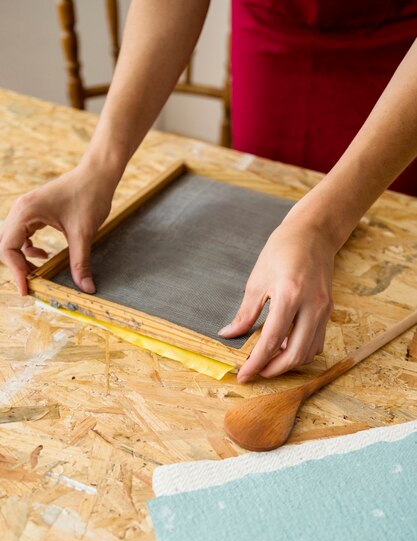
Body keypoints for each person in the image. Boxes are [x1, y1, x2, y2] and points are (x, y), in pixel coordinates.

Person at [0, 1, 416, 384]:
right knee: (262, 201)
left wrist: (323, 227)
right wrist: (99, 166)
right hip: (272, 36)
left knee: (382, 228)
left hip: (399, 72)